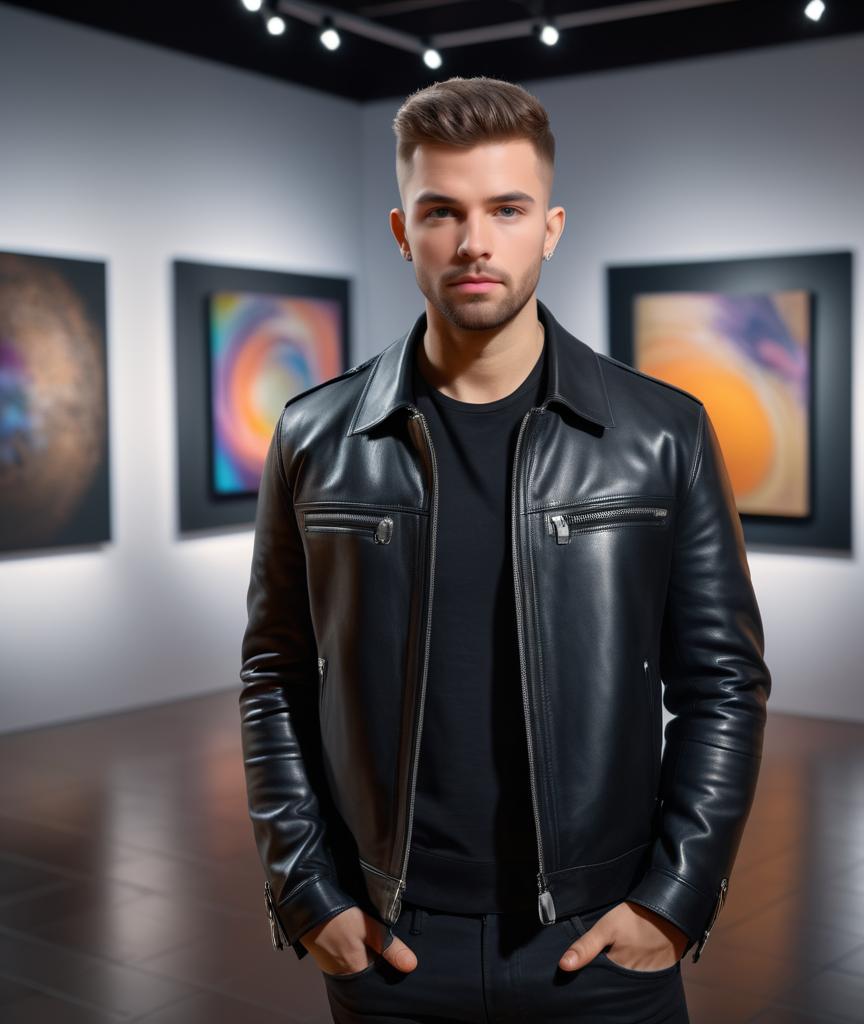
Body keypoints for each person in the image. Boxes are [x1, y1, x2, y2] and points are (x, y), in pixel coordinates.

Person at [239, 75, 771, 1024]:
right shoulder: (313, 436)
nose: (475, 242)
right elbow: (274, 678)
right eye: (441, 211)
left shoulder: (662, 432)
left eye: (507, 209)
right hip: (391, 941)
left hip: (599, 939)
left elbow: (724, 683)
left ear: (551, 226)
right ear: (403, 232)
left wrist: (675, 900)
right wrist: (306, 894)